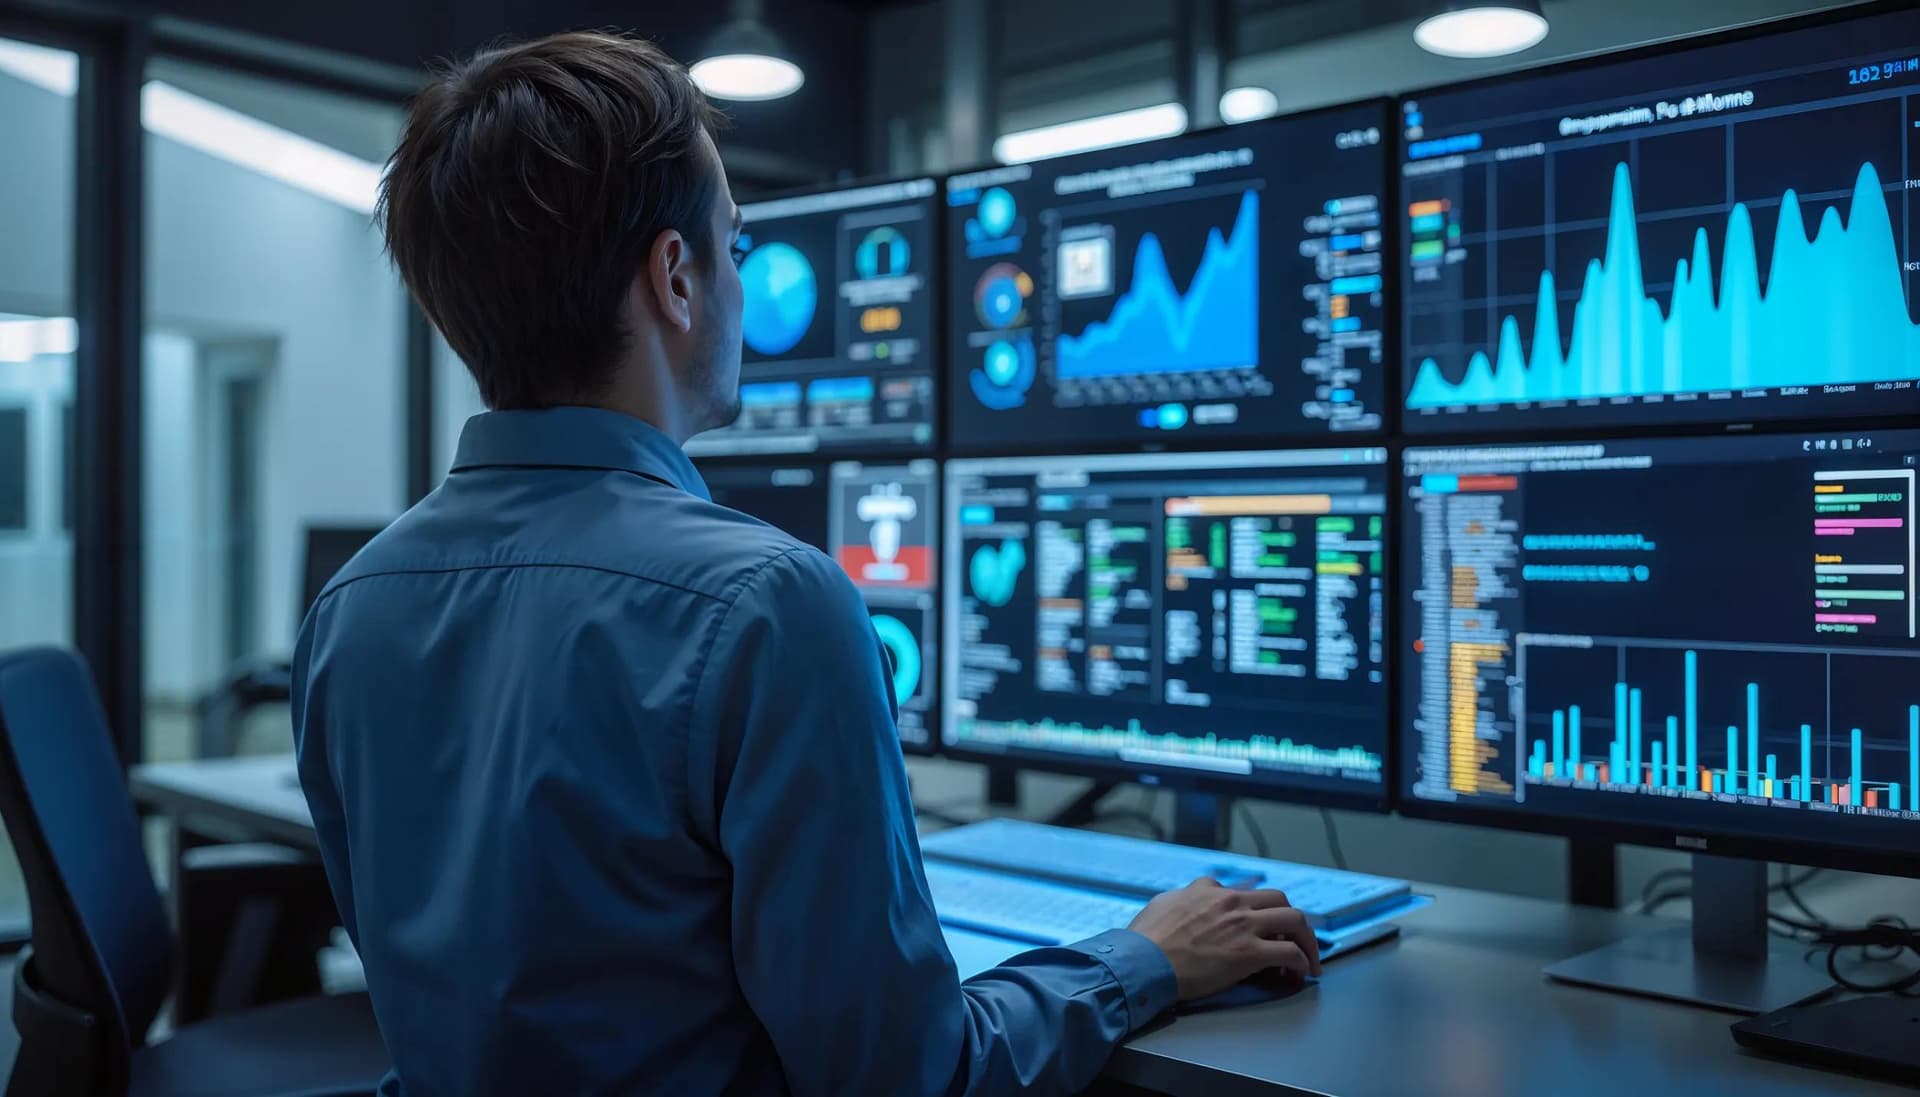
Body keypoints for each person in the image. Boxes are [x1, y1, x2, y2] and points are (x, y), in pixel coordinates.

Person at [292, 30, 1321, 1097]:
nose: (739, 284)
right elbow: (912, 1077)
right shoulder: (766, 605)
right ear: (676, 278)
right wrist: (1143, 957)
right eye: (734, 246)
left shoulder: (351, 609)